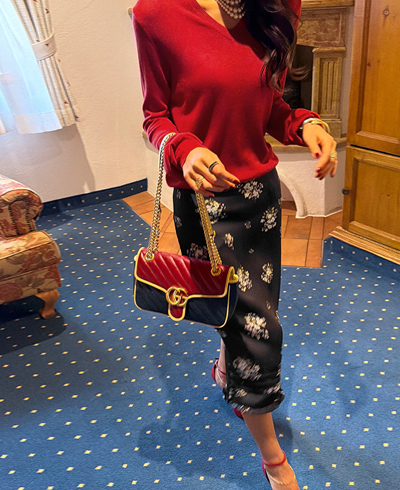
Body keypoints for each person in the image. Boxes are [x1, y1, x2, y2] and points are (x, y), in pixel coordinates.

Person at [133, 1, 337, 488]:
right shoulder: (155, 13)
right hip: (204, 203)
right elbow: (154, 117)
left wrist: (306, 123)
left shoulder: (278, 7)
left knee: (251, 309)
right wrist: (185, 148)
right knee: (258, 328)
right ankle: (273, 459)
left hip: (260, 198)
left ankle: (227, 369)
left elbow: (270, 106)